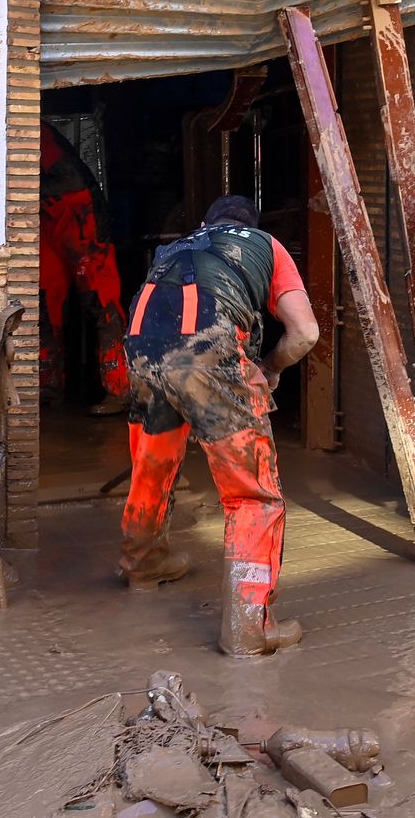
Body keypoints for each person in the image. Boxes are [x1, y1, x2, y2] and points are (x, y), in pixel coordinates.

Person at [119, 195, 319, 657]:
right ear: (252, 225)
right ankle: (249, 628)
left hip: (142, 352)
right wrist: (270, 366)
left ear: (206, 223)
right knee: (252, 492)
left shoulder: (173, 250)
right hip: (209, 356)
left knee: (152, 466)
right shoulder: (266, 245)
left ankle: (144, 565)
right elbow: (305, 333)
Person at [40, 120, 129, 414]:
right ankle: (46, 387)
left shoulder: (26, 125)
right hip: (44, 211)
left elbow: (58, 174)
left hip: (79, 210)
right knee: (44, 298)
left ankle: (121, 388)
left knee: (100, 298)